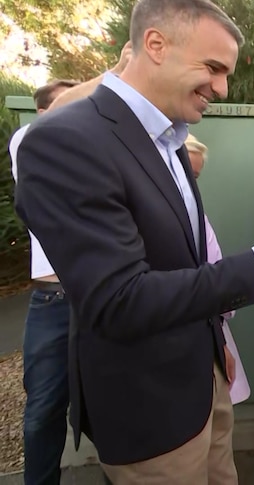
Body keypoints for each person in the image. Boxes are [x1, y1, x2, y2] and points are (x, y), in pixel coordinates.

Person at [13, 0, 254, 482]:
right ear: (155, 45)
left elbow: (182, 261)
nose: (222, 89)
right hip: (152, 413)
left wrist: (213, 343)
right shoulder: (66, 140)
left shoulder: (169, 139)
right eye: (213, 68)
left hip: (206, 389)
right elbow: (120, 300)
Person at [8, 78, 78, 485]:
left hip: (97, 298)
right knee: (41, 414)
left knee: (113, 405)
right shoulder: (28, 143)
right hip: (52, 303)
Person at [185, 133, 251, 404]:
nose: (189, 184)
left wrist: (218, 338)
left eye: (195, 177)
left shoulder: (197, 217)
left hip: (211, 331)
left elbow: (215, 278)